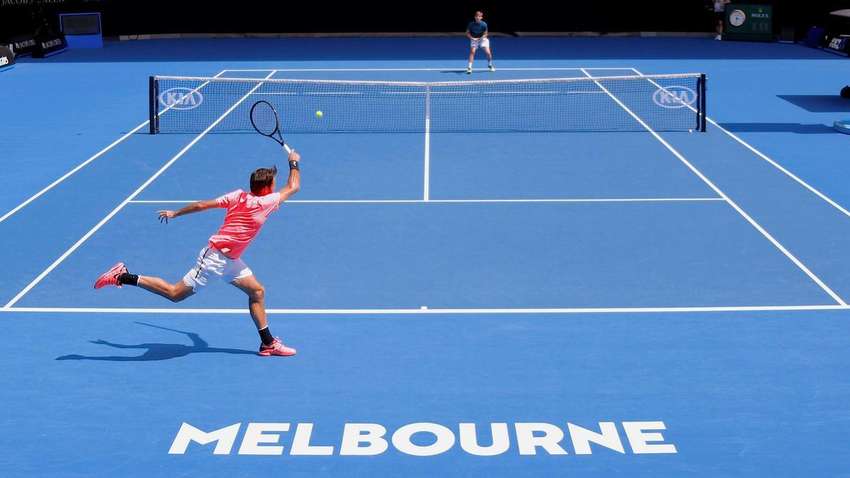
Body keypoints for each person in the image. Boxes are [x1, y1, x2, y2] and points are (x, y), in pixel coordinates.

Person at [93, 150, 302, 357]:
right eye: (273, 183)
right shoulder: (265, 203)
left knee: (257, 292)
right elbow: (293, 186)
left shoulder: (237, 196)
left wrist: (175, 213)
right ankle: (122, 275)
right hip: (214, 260)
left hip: (231, 260)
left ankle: (268, 344)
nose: (275, 186)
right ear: (267, 189)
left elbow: (202, 205)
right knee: (175, 294)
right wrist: (293, 162)